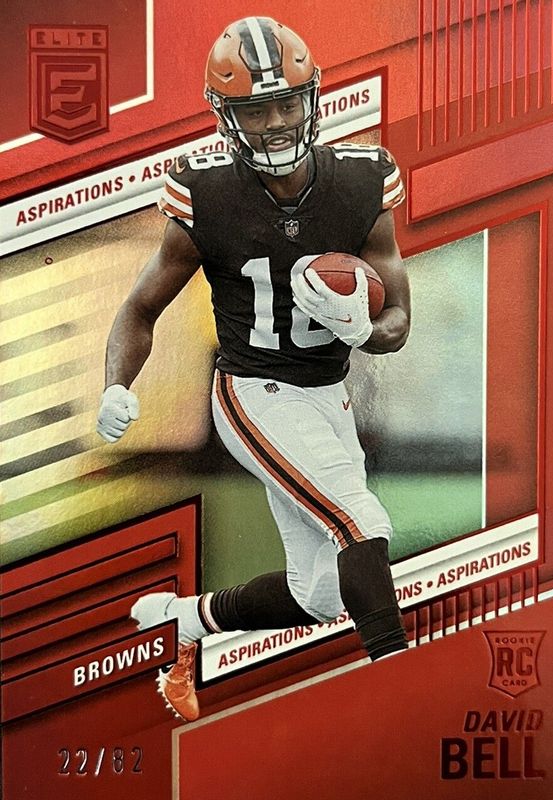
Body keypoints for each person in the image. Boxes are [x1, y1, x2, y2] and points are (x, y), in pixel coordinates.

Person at [97, 16, 410, 722]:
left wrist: (365, 329)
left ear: (312, 98)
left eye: (286, 103)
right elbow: (140, 308)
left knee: (320, 594)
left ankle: (185, 620)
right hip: (254, 392)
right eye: (255, 110)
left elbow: (398, 321)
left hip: (328, 395)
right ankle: (403, 687)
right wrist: (116, 384)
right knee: (360, 520)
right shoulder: (204, 194)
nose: (274, 123)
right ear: (224, 115)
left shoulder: (362, 179)